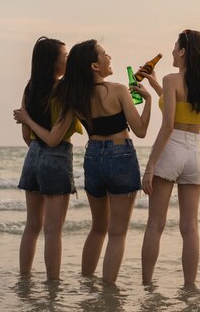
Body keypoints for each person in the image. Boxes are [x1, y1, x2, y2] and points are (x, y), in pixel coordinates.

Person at [54, 39, 152, 283]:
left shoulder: (75, 96)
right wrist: (148, 101)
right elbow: (140, 130)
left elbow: (58, 130)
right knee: (117, 233)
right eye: (105, 54)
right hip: (121, 154)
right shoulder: (117, 90)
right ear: (95, 66)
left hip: (93, 155)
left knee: (98, 228)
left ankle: (87, 283)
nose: (109, 58)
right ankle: (108, 293)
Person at [140, 29, 200, 285]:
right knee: (190, 228)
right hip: (195, 152)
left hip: (172, 147)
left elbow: (168, 125)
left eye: (176, 46)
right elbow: (179, 105)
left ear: (184, 51)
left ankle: (147, 285)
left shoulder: (171, 79)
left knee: (155, 224)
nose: (173, 50)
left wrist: (150, 166)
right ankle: (189, 287)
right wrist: (154, 82)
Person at [14, 36, 82, 280]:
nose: (68, 59)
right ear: (53, 62)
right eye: (64, 56)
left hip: (32, 157)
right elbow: (54, 139)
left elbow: (26, 136)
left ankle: (25, 280)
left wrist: (30, 124)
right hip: (57, 157)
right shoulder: (65, 90)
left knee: (32, 226)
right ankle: (52, 287)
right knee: (53, 231)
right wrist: (32, 122)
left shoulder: (30, 87)